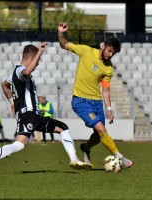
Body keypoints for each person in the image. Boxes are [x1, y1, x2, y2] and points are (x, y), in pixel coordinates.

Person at [0, 43, 92, 175]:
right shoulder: (20, 71)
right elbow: (26, 72)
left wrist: (12, 102)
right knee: (19, 145)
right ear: (31, 58)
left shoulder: (14, 74)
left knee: (63, 128)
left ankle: (74, 160)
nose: (36, 65)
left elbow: (4, 85)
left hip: (34, 116)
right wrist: (39, 53)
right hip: (28, 116)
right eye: (36, 62)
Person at [57, 22, 133, 168]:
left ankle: (86, 147)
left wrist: (109, 109)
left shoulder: (109, 68)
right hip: (81, 101)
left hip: (97, 103)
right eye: (110, 50)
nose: (110, 55)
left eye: (113, 53)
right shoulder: (86, 51)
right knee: (101, 129)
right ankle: (120, 157)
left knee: (99, 135)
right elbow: (64, 45)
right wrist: (61, 33)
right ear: (103, 46)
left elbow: (105, 90)